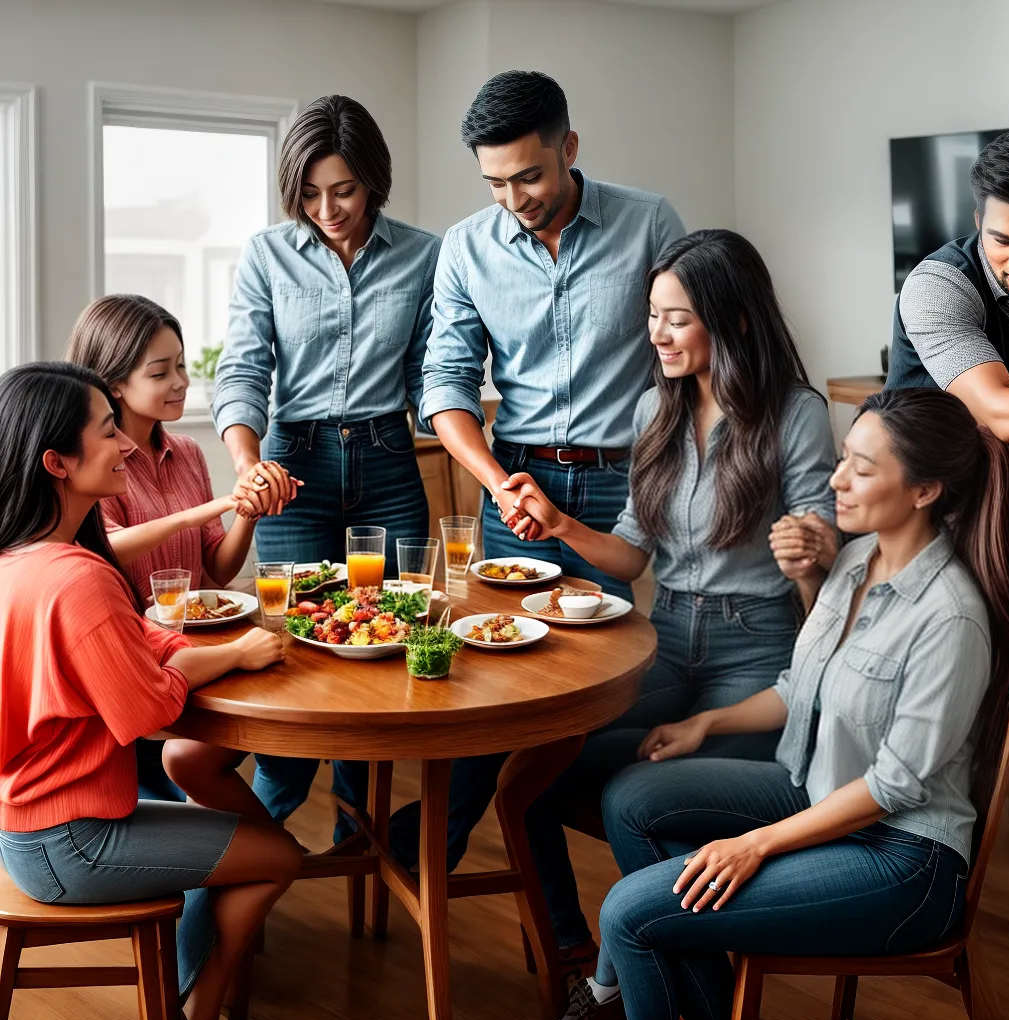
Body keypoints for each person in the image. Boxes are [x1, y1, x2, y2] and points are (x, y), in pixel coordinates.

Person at [560, 387, 1009, 1020]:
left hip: (902, 859)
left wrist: (755, 845)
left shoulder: (950, 616)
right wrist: (705, 723)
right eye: (844, 459)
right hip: (815, 789)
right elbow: (800, 686)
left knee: (630, 912)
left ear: (924, 491)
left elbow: (895, 786)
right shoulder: (859, 557)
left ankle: (654, 958)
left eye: (862, 470)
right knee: (633, 794)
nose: (837, 480)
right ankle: (702, 986)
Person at [503, 230, 838, 975]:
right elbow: (631, 551)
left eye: (677, 317)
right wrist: (560, 525)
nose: (657, 333)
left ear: (736, 319)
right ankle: (577, 951)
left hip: (759, 648)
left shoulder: (796, 413)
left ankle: (628, 977)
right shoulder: (654, 407)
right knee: (534, 769)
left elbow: (826, 554)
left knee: (642, 791)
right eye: (653, 314)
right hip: (664, 636)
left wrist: (813, 549)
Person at [0, 362, 303, 1020]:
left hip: (26, 826)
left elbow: (137, 637)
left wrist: (190, 650)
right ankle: (196, 1010)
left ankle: (191, 990)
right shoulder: (78, 579)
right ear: (57, 460)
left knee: (242, 835)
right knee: (278, 855)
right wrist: (232, 653)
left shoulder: (23, 557)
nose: (129, 445)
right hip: (74, 842)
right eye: (109, 432)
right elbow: (147, 710)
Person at [212, 94, 441, 852]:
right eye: (309, 194)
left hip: (387, 463)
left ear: (373, 179)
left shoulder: (424, 254)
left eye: (342, 190)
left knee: (384, 646)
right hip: (295, 471)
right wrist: (250, 464)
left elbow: (431, 371)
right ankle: (241, 857)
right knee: (300, 656)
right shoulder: (267, 255)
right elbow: (244, 370)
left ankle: (356, 843)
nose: (327, 209)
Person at [419, 70, 686, 604]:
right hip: (516, 485)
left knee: (608, 657)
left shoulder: (648, 223)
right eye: (496, 183)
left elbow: (693, 352)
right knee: (511, 652)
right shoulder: (465, 248)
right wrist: (498, 487)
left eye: (529, 177)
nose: (515, 199)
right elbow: (446, 382)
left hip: (622, 480)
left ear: (569, 147)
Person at [66, 293, 297, 802]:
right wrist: (208, 509)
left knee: (294, 711)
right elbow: (103, 549)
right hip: (142, 669)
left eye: (182, 365)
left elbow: (215, 572)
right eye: (160, 372)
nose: (181, 382)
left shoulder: (188, 451)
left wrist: (246, 513)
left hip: (203, 649)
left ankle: (266, 849)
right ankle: (262, 854)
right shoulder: (95, 462)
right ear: (114, 385)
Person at [888, 129, 1009, 484]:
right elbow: (1005, 416)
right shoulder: (936, 287)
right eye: (1003, 240)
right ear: (979, 223)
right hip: (928, 496)